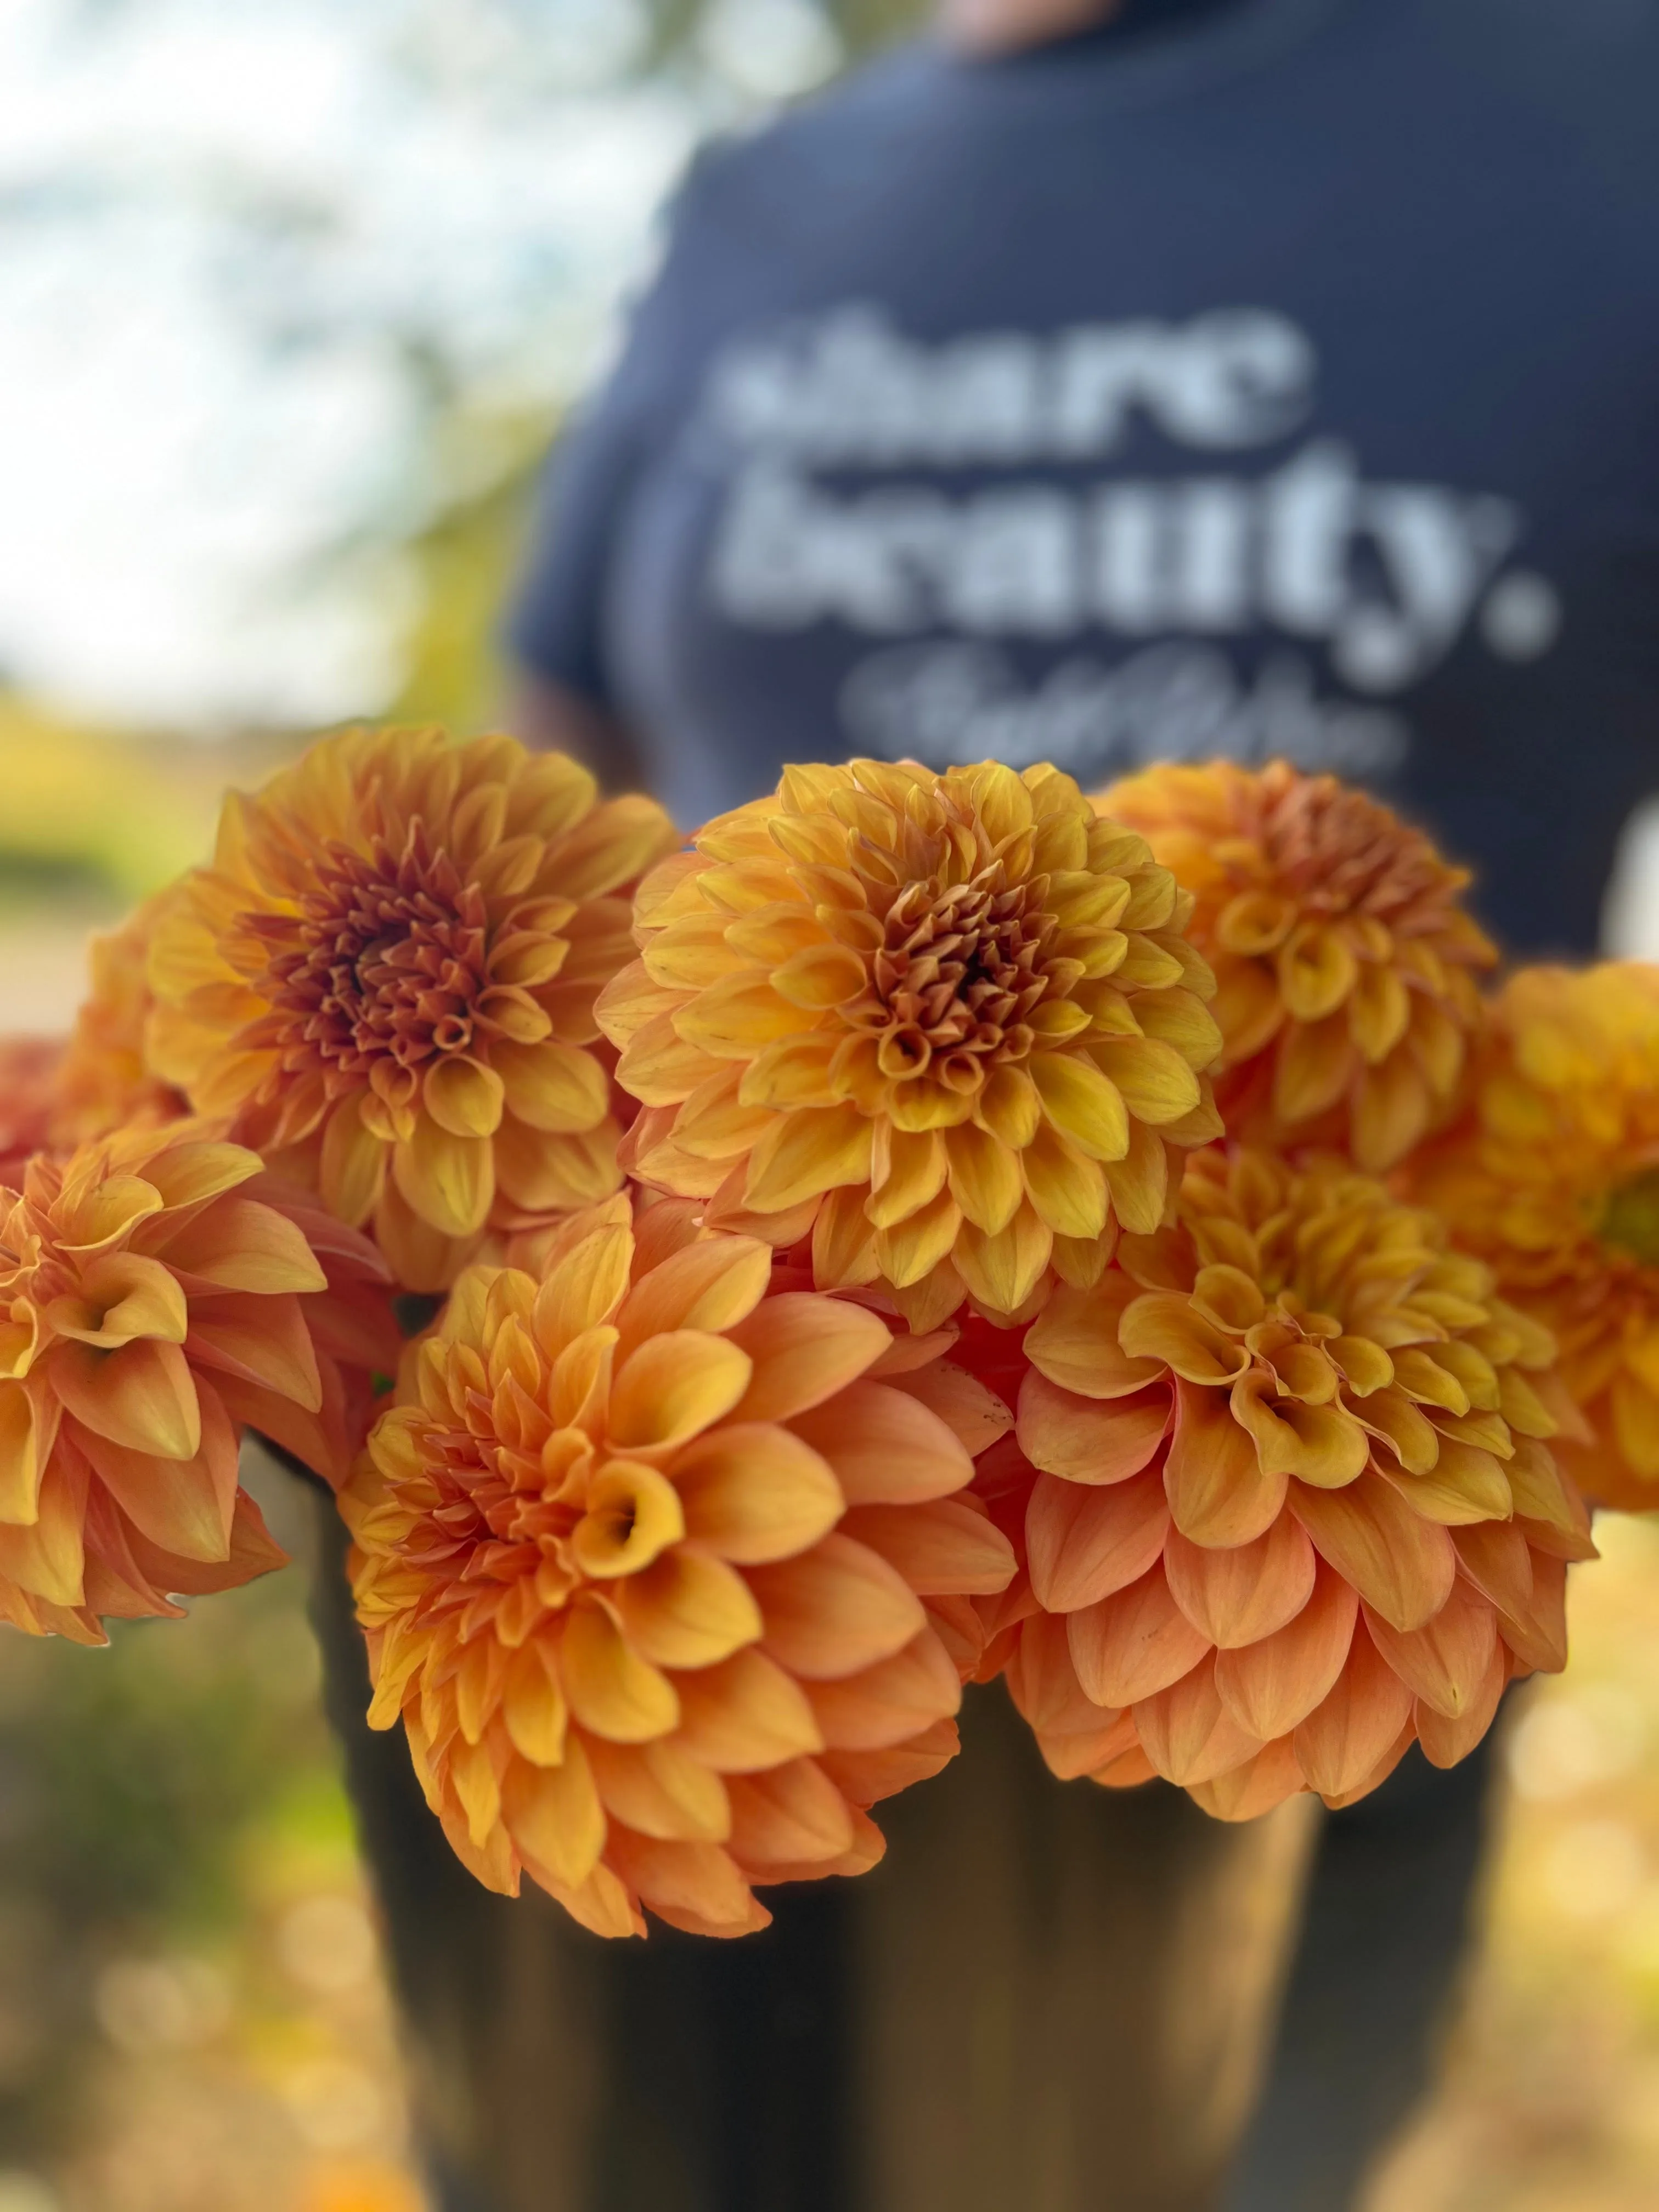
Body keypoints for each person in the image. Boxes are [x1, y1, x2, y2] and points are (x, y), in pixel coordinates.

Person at [505, 0, 1659, 2200]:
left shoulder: (1612, 101)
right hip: (671, 1533)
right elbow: (555, 787)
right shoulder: (764, 198)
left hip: (1320, 1556)